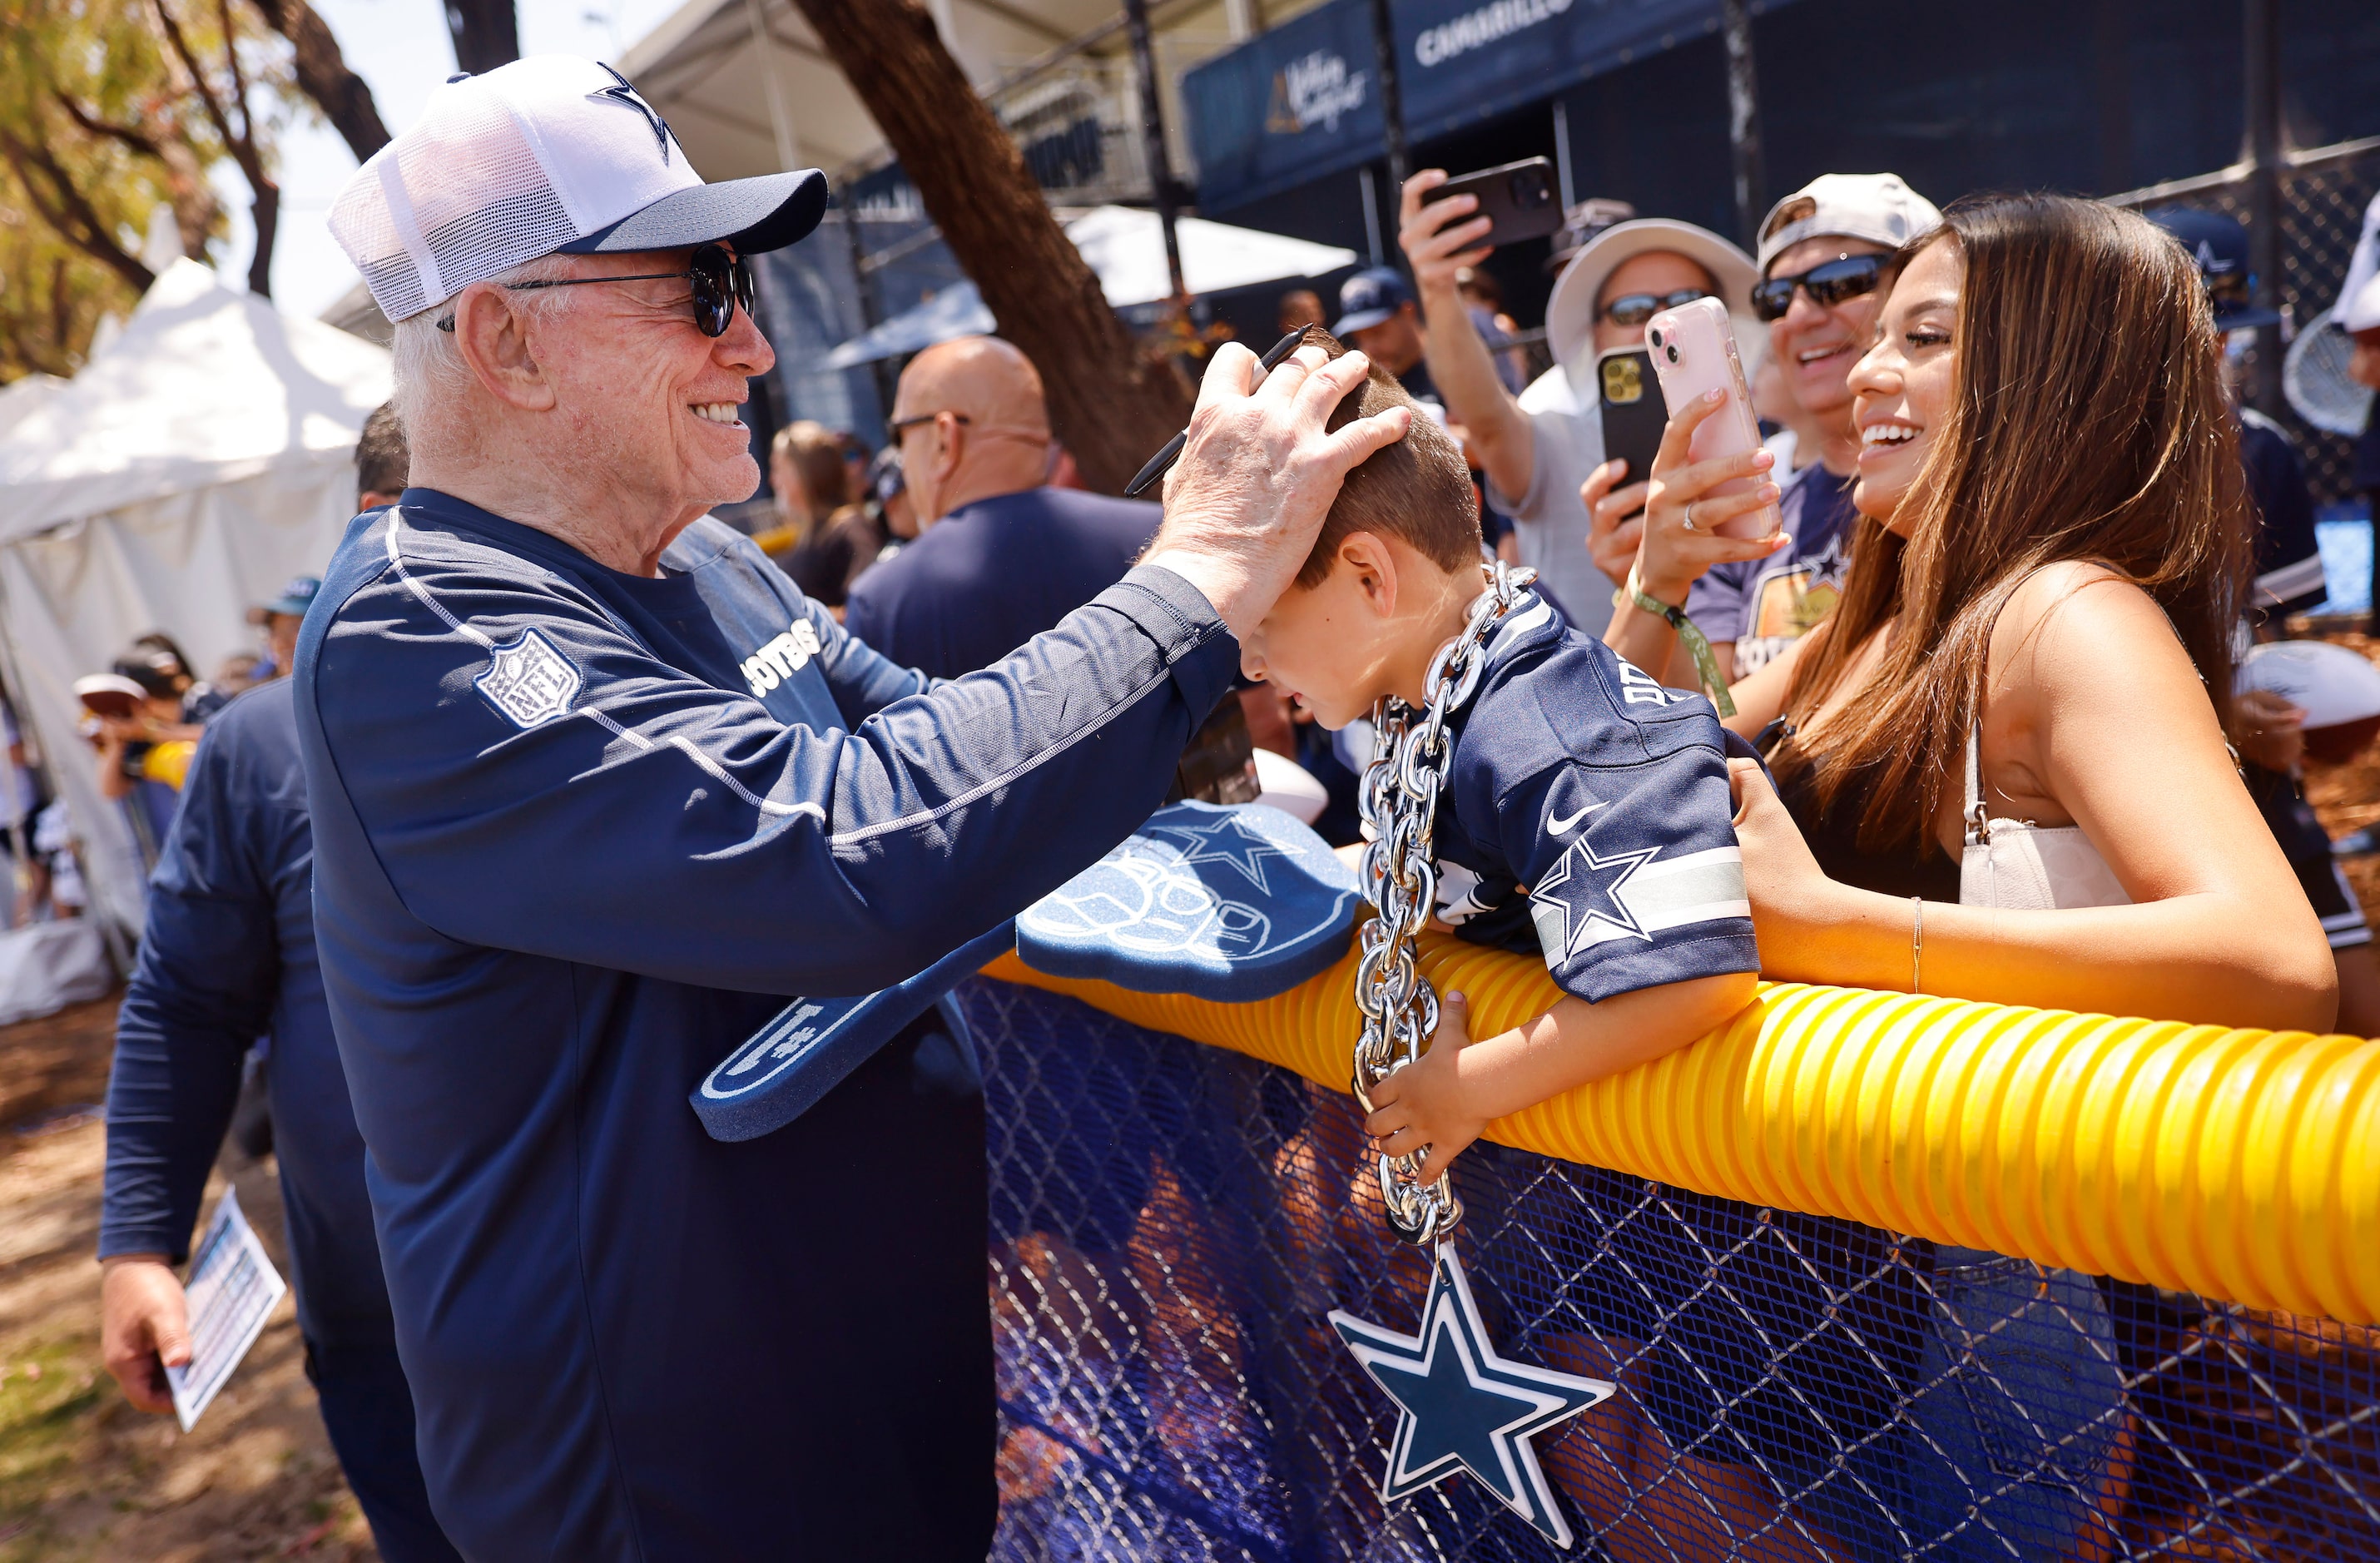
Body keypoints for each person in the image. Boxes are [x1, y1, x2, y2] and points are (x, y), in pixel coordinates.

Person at [310, 55, 1406, 1560]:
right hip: (670, 1497)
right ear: (507, 337)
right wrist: (1198, 568)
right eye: (701, 287)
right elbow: (848, 846)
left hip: (876, 1408)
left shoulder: (701, 557)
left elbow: (955, 754)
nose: (755, 341)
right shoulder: (419, 636)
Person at [1625, 191, 2333, 1031]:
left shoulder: (2064, 616)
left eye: (1923, 337)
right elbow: (1616, 790)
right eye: (1881, 334)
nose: (1864, 372)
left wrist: (1829, 929)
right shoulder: (1870, 634)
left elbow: (2275, 965)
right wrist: (1652, 581)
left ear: (2063, 378)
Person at [1237, 329, 1758, 1182]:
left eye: (1261, 623)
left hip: (1715, 1228)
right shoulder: (1434, 695)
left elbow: (1691, 978)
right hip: (1607, 1183)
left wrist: (1466, 1087)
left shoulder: (1542, 730)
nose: (1252, 664)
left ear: (1370, 577)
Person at [1599, 174, 1941, 691]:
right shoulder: (1744, 504)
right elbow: (1718, 705)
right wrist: (1652, 589)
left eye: (1841, 282)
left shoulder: (1959, 493)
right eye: (1776, 298)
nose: (1800, 315)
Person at [1399, 170, 1758, 633]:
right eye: (1631, 311)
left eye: (1688, 302)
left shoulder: (1770, 437)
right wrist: (1437, 289)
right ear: (1597, 335)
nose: (1661, 321)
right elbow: (1484, 418)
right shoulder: (1555, 434)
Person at [843, 335, 1160, 678]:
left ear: (944, 441)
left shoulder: (884, 602)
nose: (900, 461)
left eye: (899, 437)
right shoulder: (1168, 537)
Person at [766, 419, 883, 611]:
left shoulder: (848, 527)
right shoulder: (810, 533)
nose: (773, 480)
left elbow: (869, 604)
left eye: (778, 468)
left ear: (804, 472)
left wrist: (815, 621)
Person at [1327, 266, 1436, 404]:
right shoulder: (1367, 391)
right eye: (1359, 337)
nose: (1369, 348)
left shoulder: (1453, 366)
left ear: (1408, 312)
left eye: (1376, 332)